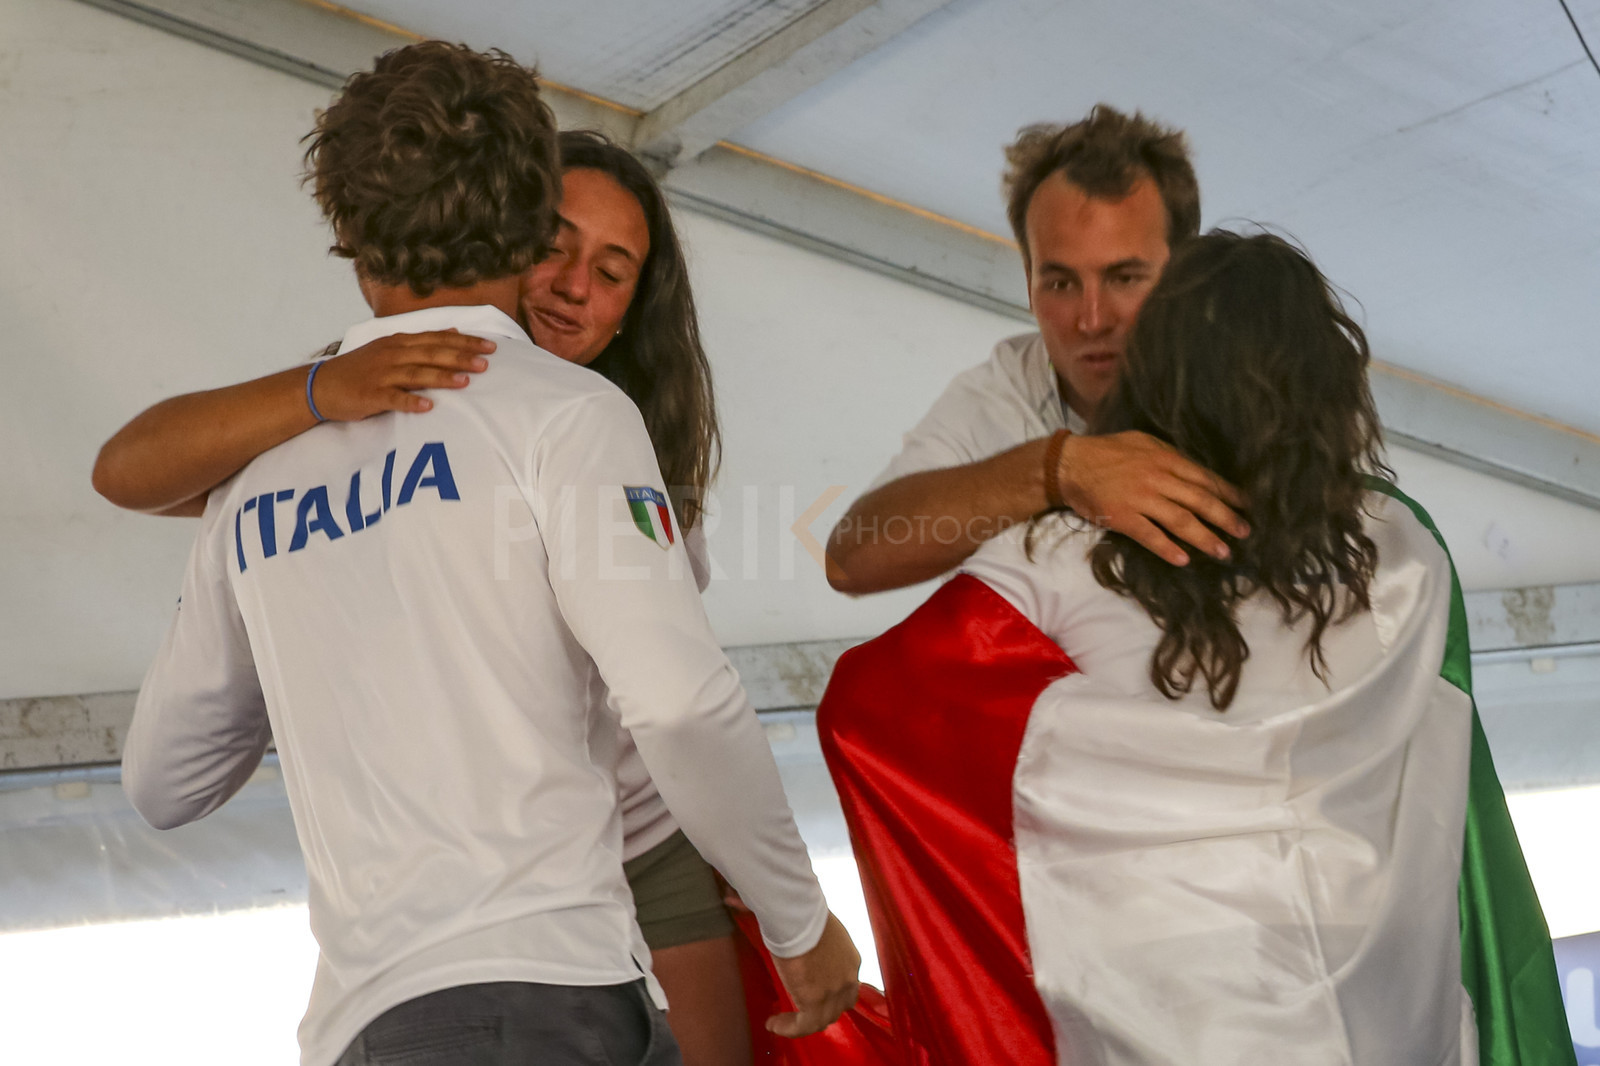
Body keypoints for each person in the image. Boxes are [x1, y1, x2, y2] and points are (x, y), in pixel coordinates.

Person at [119, 41, 858, 1066]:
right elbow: (681, 702)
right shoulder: (568, 414)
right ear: (526, 228)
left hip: (359, 1024)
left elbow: (163, 783)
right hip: (541, 988)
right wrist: (798, 921)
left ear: (344, 226)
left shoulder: (255, 474)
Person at [815, 232, 1573, 1065]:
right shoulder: (1399, 548)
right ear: (1328, 382)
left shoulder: (1062, 559)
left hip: (1168, 1006)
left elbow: (867, 698)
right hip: (1384, 995)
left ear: (1152, 380)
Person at [825, 105, 1248, 594]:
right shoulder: (1004, 391)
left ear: (1187, 275)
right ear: (1028, 284)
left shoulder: (1263, 378)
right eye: (1061, 283)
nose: (1092, 319)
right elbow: (849, 562)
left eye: (1125, 278)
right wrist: (1056, 469)